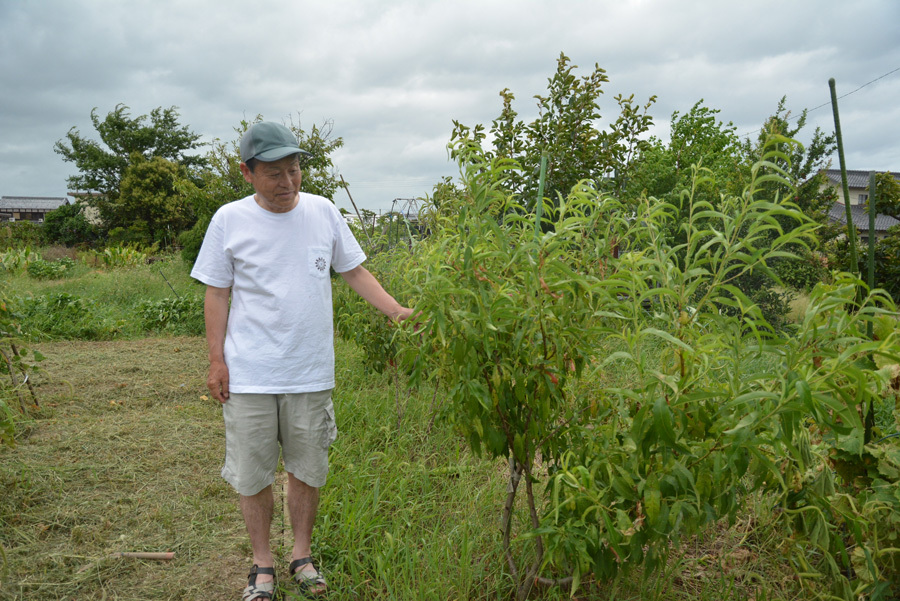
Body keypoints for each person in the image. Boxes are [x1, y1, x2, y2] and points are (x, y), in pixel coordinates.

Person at [191, 121, 413, 600]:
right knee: (253, 472)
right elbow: (217, 292)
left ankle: (302, 555)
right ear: (248, 174)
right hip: (249, 372)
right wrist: (216, 360)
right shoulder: (229, 219)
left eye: (294, 170)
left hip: (310, 370)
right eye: (274, 174)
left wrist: (395, 311)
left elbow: (352, 269)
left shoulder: (323, 211)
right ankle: (262, 565)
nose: (288, 182)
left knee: (307, 468)